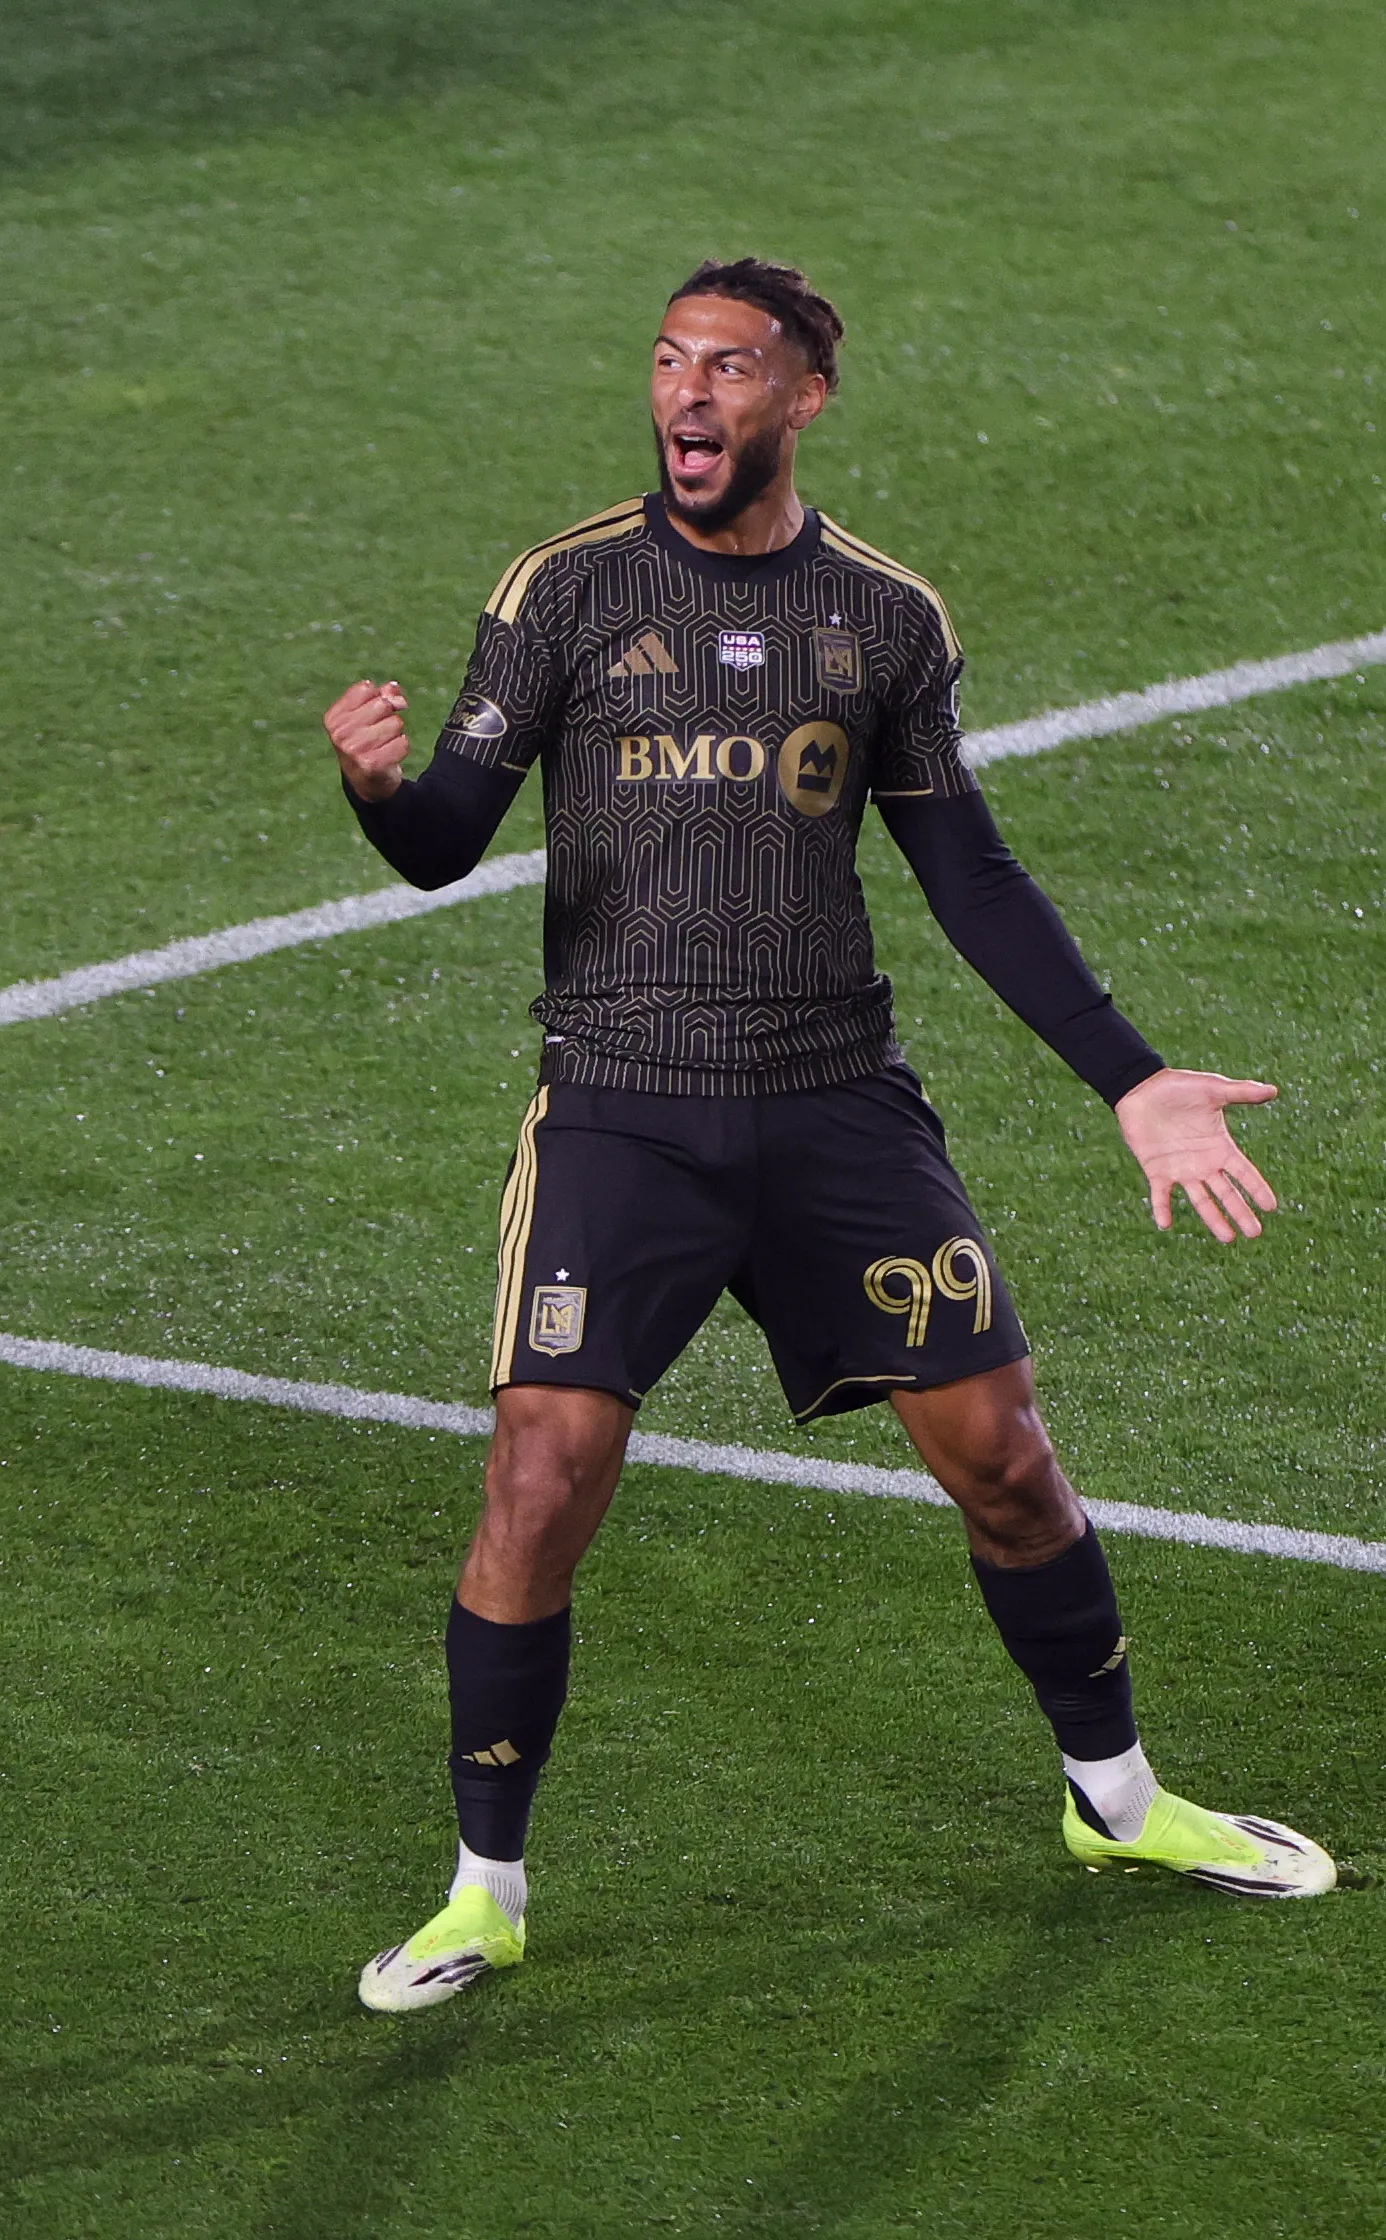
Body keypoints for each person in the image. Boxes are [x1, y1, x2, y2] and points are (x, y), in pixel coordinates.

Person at [324, 258, 1333, 2015]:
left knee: (1007, 1460)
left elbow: (971, 874)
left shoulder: (883, 619)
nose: (686, 397)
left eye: (727, 368)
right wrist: (378, 792)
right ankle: (484, 1892)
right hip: (623, 1115)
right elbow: (444, 844)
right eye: (666, 363)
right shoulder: (562, 593)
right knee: (540, 1476)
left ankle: (1121, 1803)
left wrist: (1132, 1076)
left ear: (802, 398)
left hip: (831, 1108)